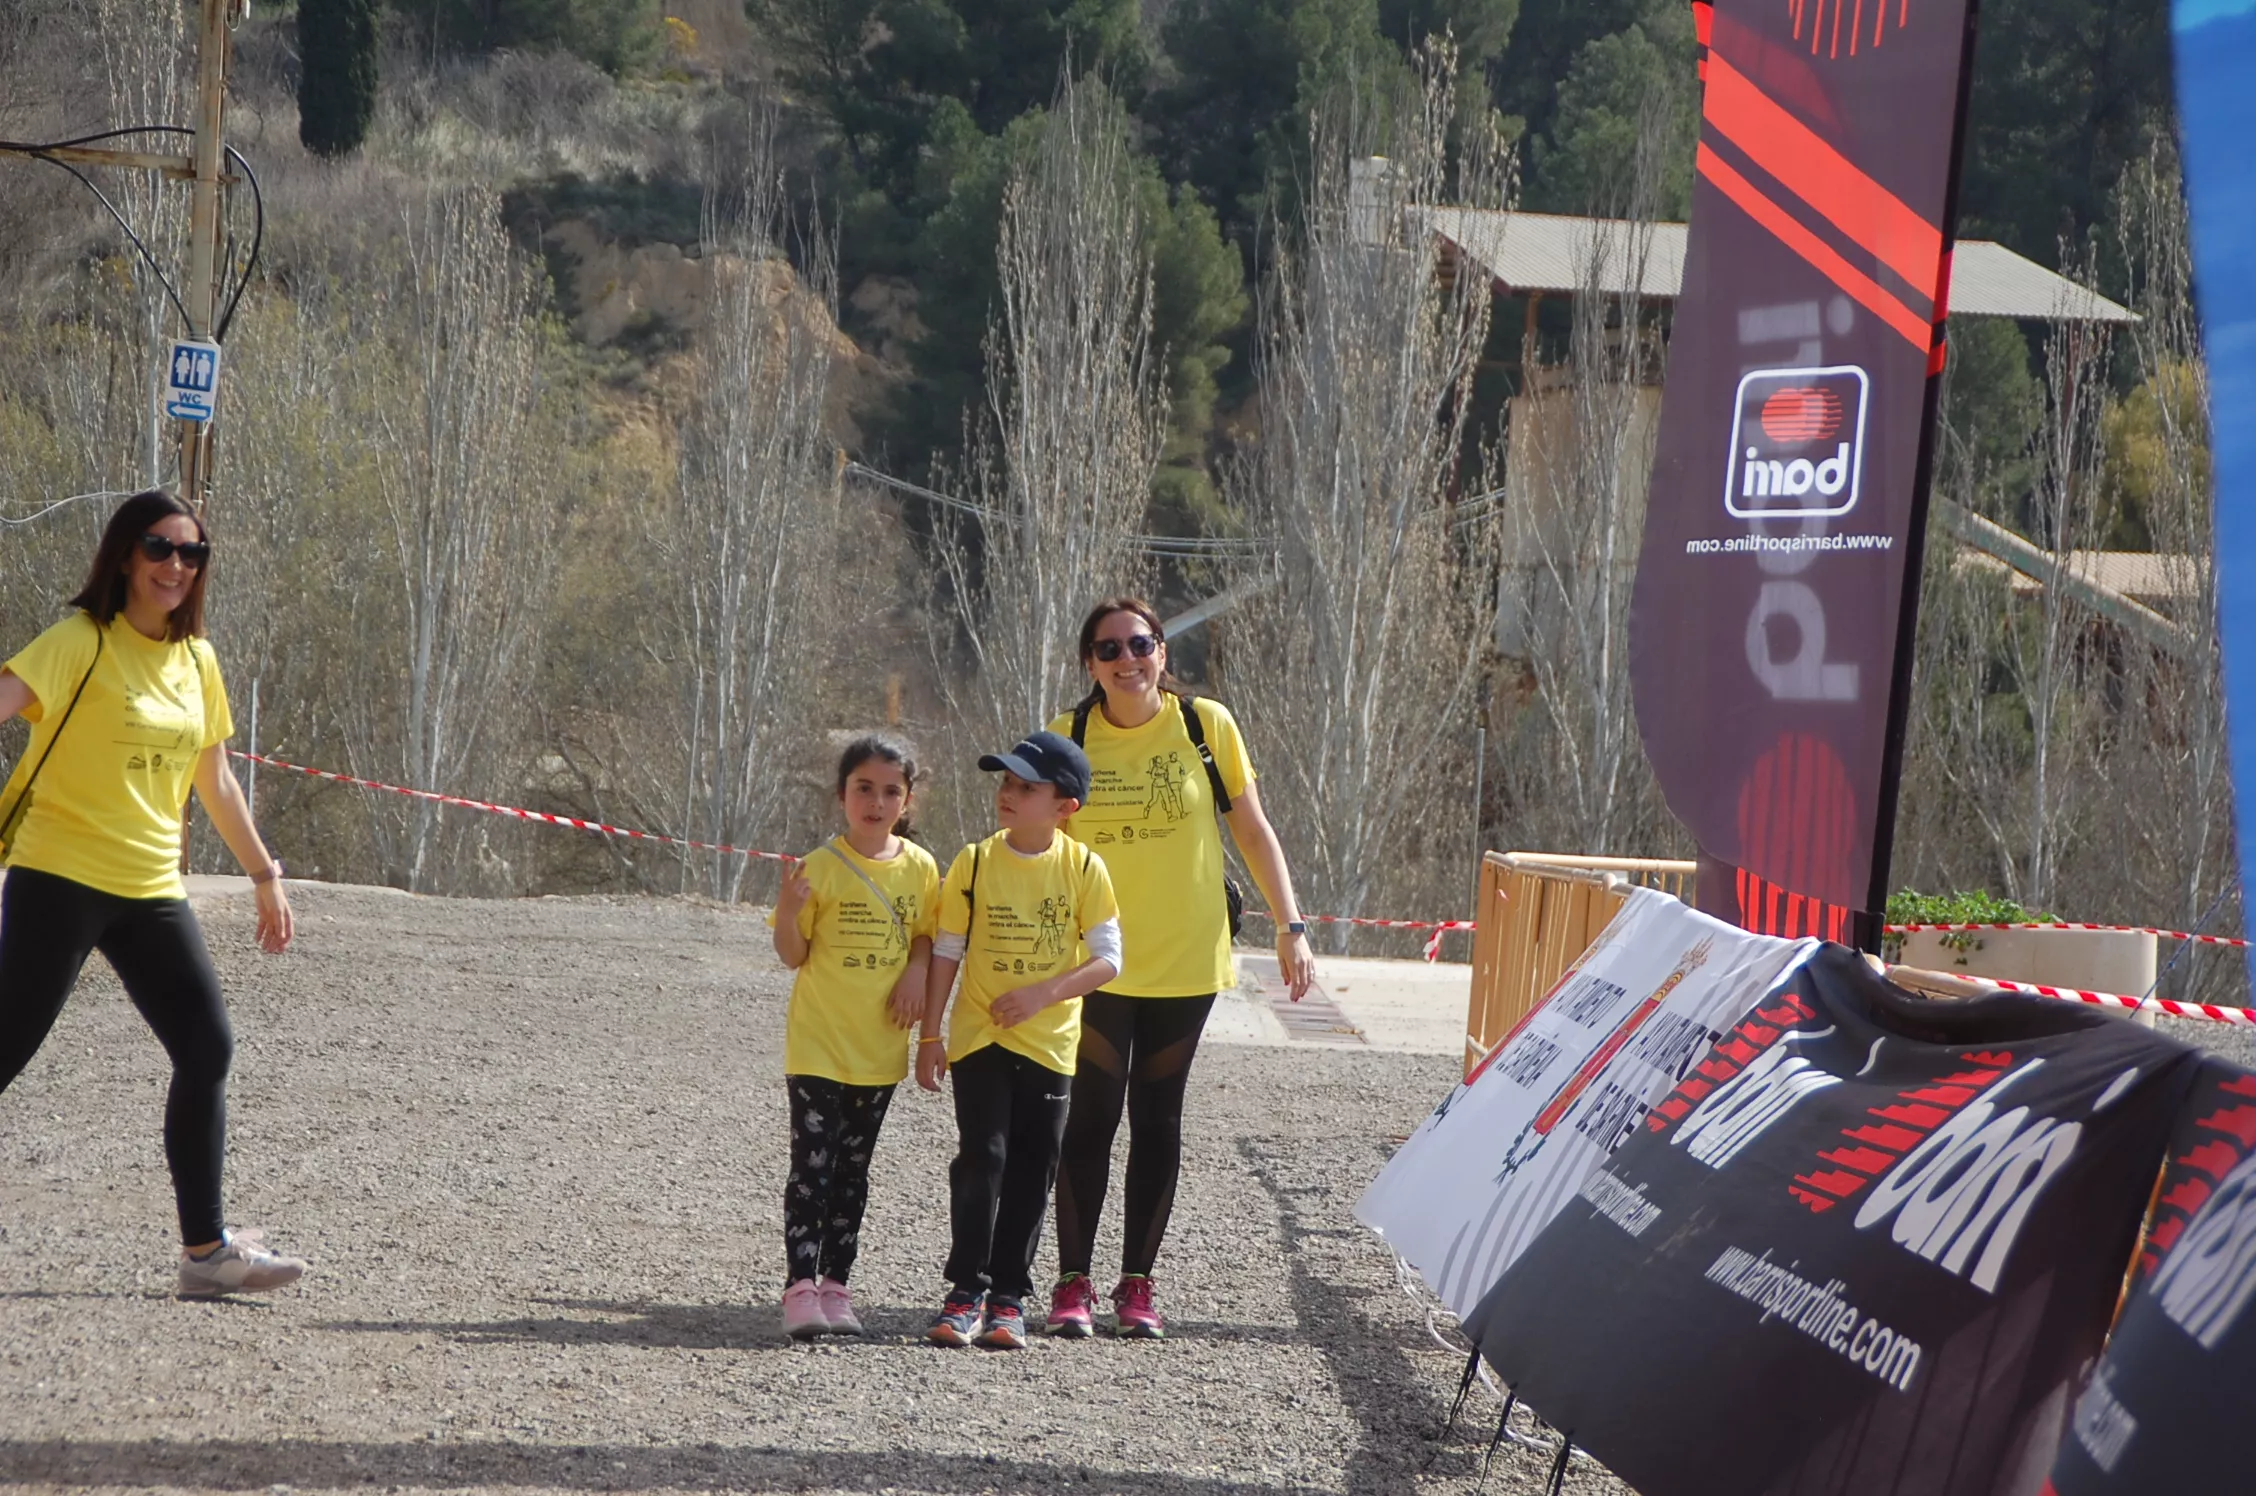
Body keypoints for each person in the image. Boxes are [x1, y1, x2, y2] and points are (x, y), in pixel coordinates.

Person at [0, 489, 303, 1298]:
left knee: (206, 1048)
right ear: (125, 557)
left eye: (191, 553)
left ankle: (206, 1255)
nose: (176, 565)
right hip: (58, 877)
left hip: (148, 888)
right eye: (160, 548)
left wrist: (264, 876)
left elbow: (217, 781)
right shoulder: (79, 642)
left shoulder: (197, 660)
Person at [1046, 597, 1316, 1339]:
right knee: (1092, 1117)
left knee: (1158, 1116)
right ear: (1089, 663)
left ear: (1163, 651)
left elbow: (1254, 833)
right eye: (1108, 649)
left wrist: (1291, 926)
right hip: (1096, 962)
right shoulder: (1067, 736)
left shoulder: (1207, 725)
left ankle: (1138, 1284)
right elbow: (1036, 846)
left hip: (1188, 958)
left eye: (1141, 643)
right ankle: (1072, 1285)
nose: (1127, 659)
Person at [916, 731, 1120, 1350]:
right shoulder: (974, 862)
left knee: (1035, 1168)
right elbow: (948, 950)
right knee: (984, 1157)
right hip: (980, 1038)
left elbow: (1110, 959)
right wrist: (931, 1034)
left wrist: (1042, 995)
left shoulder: (1085, 867)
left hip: (1051, 1044)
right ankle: (964, 1291)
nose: (1008, 794)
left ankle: (1009, 1298)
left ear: (1065, 807)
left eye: (1026, 787)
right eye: (1006, 783)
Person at [769, 735, 938, 1338]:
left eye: (891, 790)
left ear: (908, 800)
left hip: (879, 1047)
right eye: (863, 787)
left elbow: (926, 934)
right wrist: (789, 913)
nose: (876, 801)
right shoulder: (820, 866)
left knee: (853, 1171)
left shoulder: (921, 869)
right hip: (819, 1044)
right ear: (842, 794)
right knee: (812, 1169)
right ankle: (799, 1288)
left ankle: (837, 1286)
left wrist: (918, 972)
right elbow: (793, 955)